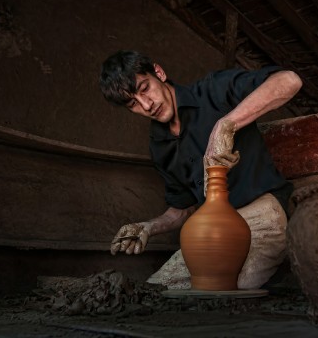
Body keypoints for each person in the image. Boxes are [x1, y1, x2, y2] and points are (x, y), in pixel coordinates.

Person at [98, 50, 302, 289]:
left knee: (225, 289)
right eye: (133, 103)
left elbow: (289, 81)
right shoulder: (160, 145)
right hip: (212, 233)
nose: (147, 104)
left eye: (145, 88)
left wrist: (225, 125)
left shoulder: (212, 91)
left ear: (159, 73)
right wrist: (149, 227)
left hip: (264, 215)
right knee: (159, 289)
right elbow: (181, 210)